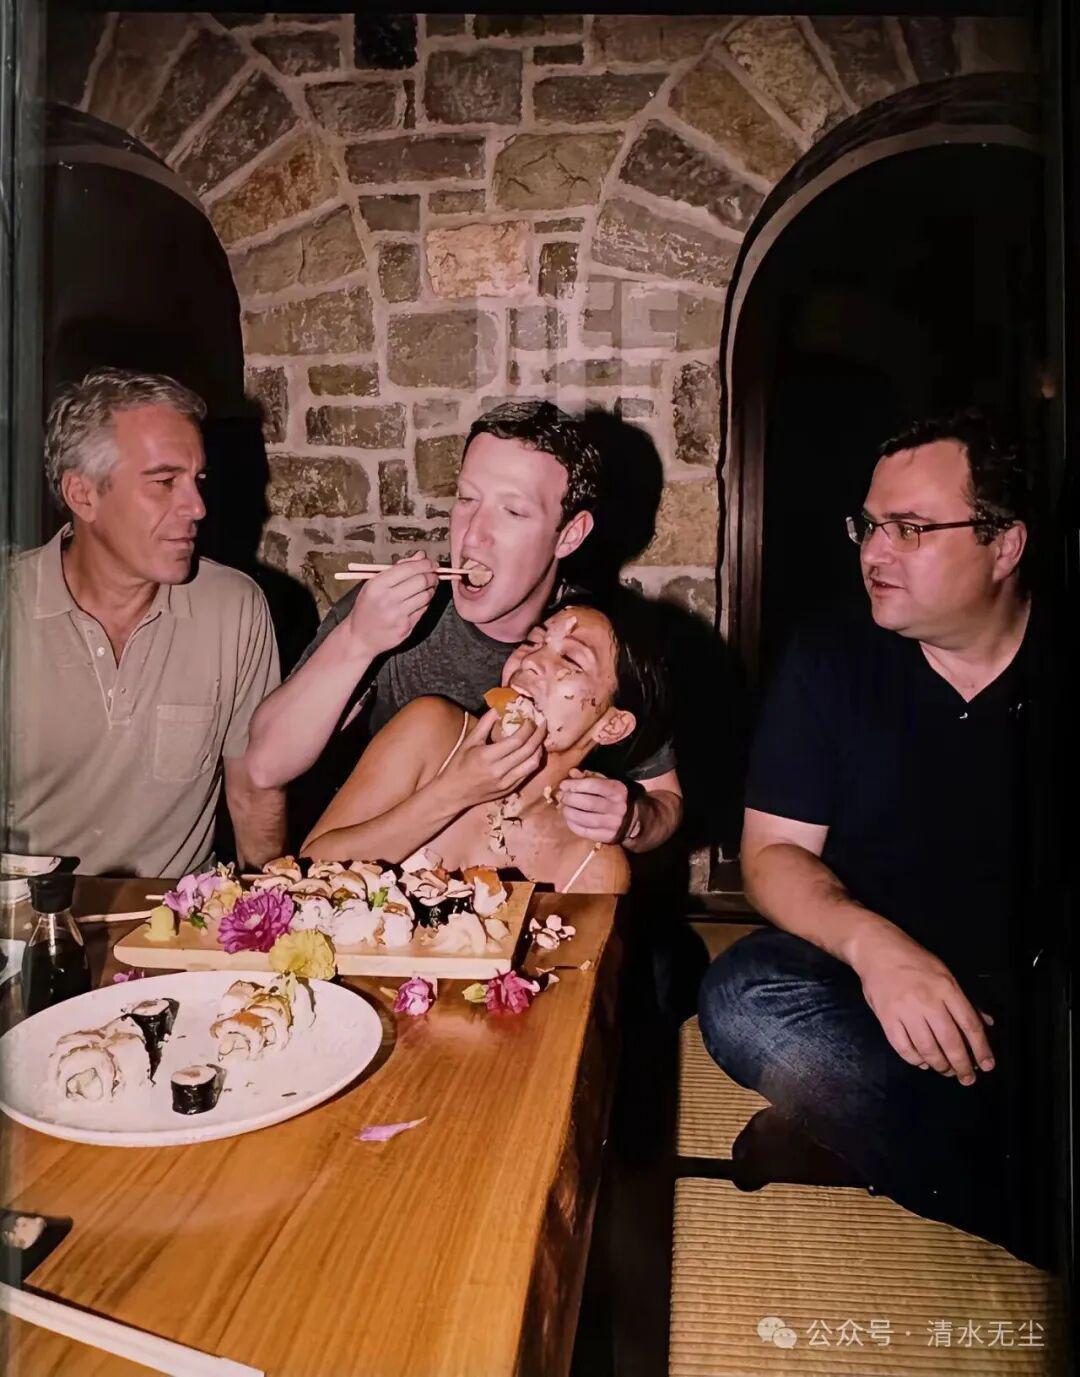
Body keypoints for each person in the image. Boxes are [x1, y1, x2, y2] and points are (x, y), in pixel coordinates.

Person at [697, 411, 1051, 1267]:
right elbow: (771, 855)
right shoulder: (831, 657)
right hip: (872, 992)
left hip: (1039, 1011)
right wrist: (875, 947)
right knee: (743, 995)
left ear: (1004, 546)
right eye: (869, 524)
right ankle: (1021, 1198)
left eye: (911, 528)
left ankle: (867, 1138)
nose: (875, 552)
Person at [244, 400, 683, 853]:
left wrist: (630, 819)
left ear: (570, 534)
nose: (473, 535)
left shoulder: (590, 636)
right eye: (467, 499)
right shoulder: (393, 610)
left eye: (513, 512)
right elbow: (264, 766)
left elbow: (665, 801)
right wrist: (357, 640)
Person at [6, 368, 285, 878]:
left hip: (174, 918)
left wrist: (264, 910)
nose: (197, 507)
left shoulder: (233, 607)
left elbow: (254, 791)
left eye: (198, 481)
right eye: (164, 482)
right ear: (83, 495)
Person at [303, 600, 669, 892]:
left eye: (571, 659)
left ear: (612, 725)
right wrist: (452, 793)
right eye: (532, 642)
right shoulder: (431, 729)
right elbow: (307, 873)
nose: (532, 661)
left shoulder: (593, 864)